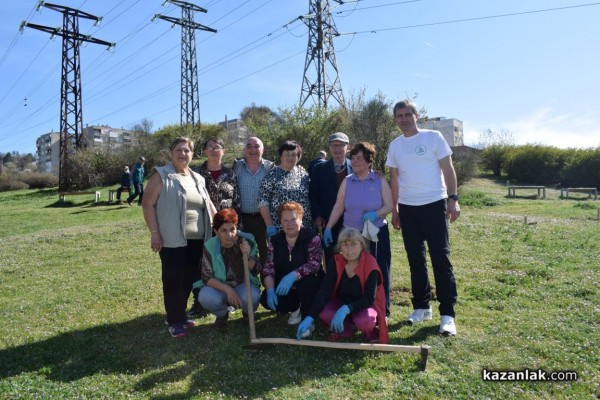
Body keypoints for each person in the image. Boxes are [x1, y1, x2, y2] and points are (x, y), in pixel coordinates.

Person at [385, 99, 460, 336]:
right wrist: (395, 210)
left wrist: (453, 198)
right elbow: (394, 180)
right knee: (415, 260)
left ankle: (447, 314)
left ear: (416, 116)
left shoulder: (433, 138)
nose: (404, 119)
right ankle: (421, 307)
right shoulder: (395, 146)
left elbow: (448, 169)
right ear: (395, 119)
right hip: (408, 209)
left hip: (434, 204)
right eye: (399, 115)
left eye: (408, 114)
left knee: (441, 258)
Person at [141, 137, 217, 338]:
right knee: (173, 279)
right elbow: (147, 204)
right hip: (172, 239)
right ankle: (174, 321)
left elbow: (208, 205)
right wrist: (155, 233)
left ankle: (179, 316)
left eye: (187, 151)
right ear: (171, 152)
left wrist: (222, 223)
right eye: (179, 150)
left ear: (192, 154)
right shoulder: (161, 175)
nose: (183, 154)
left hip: (198, 240)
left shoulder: (197, 178)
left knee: (190, 279)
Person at [323, 142, 393, 316]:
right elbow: (339, 207)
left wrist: (375, 214)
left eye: (359, 158)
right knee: (353, 270)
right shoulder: (348, 181)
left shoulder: (379, 179)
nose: (354, 161)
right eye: (352, 158)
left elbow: (390, 205)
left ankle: (382, 309)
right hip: (351, 234)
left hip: (375, 233)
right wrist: (329, 228)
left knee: (378, 269)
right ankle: (356, 306)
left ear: (369, 161)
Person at [296, 227, 388, 344]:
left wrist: (346, 309)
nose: (349, 249)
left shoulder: (370, 264)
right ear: (340, 247)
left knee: (365, 321)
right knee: (325, 313)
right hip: (341, 301)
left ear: (361, 246)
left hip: (364, 305)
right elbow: (325, 291)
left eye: (353, 244)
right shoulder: (335, 261)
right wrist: (310, 317)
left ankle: (370, 333)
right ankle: (344, 329)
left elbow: (369, 299)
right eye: (345, 244)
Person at [260, 202, 323, 337]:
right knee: (265, 298)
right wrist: (270, 290)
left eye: (294, 219)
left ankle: (308, 319)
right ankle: (295, 308)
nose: (290, 224)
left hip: (308, 283)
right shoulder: (275, 241)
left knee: (308, 284)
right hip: (285, 286)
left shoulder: (312, 237)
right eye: (285, 220)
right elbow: (268, 268)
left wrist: (293, 276)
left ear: (301, 219)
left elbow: (315, 263)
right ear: (281, 222)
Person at [194, 208, 262, 330]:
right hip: (220, 287)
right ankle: (222, 314)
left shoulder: (247, 240)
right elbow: (206, 277)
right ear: (216, 231)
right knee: (205, 297)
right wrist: (228, 290)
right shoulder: (210, 245)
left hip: (242, 285)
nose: (229, 235)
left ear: (237, 228)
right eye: (223, 231)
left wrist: (246, 257)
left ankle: (247, 314)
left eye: (232, 229)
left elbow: (256, 268)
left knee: (254, 295)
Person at [309, 132, 353, 265]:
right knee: (331, 257)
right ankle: (332, 284)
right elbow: (313, 194)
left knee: (352, 253)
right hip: (328, 221)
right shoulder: (319, 168)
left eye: (341, 145)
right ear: (329, 147)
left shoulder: (356, 166)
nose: (337, 149)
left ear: (348, 147)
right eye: (333, 145)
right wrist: (317, 216)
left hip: (353, 219)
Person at [258, 140, 312, 239]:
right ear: (281, 156)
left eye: (294, 154)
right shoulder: (272, 175)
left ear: (298, 157)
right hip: (281, 229)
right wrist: (269, 225)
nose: (290, 157)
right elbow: (262, 201)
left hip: (303, 227)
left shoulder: (303, 173)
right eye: (287, 154)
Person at [233, 137, 274, 264]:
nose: (253, 149)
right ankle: (248, 282)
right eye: (249, 146)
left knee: (266, 254)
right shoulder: (237, 167)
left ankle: (268, 282)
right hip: (243, 219)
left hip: (265, 220)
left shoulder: (270, 168)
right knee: (244, 254)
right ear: (245, 150)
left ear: (263, 149)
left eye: (256, 146)